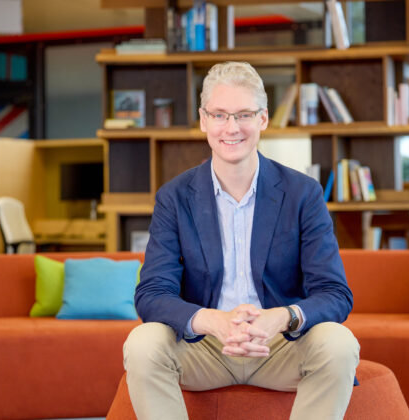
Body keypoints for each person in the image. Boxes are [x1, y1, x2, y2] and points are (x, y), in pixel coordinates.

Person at [123, 61, 359, 420]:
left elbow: (335, 294)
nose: (231, 128)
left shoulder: (303, 194)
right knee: (142, 344)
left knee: (339, 343)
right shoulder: (174, 197)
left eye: (243, 114)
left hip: (280, 347)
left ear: (263, 119)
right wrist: (215, 322)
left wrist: (280, 318)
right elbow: (152, 294)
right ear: (203, 120)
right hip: (203, 348)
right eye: (219, 115)